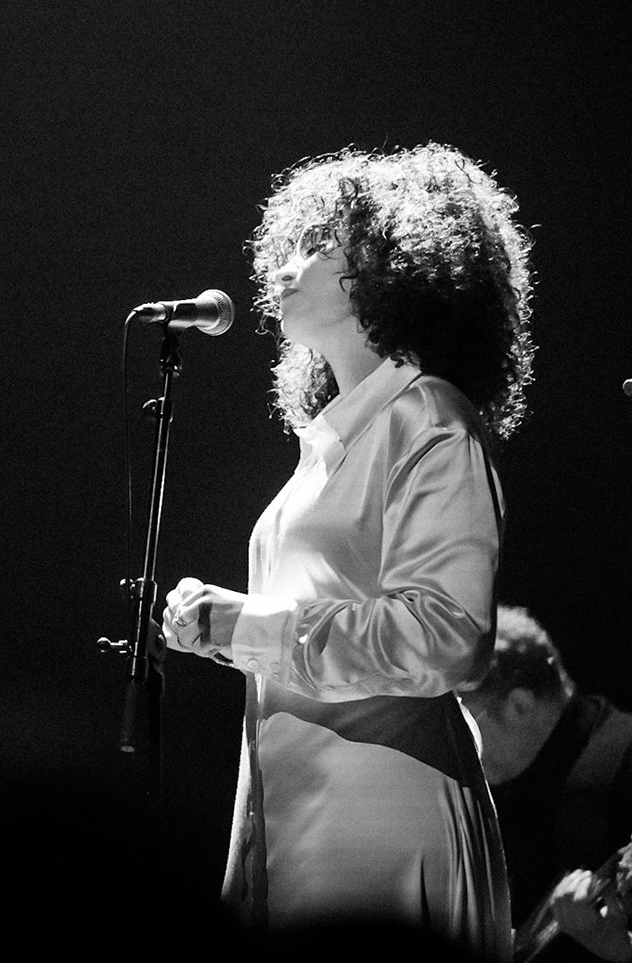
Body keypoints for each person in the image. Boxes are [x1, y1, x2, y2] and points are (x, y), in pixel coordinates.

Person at [160, 143, 535, 959]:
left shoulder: (429, 419)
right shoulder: (329, 447)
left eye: (317, 244)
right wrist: (222, 630)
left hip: (380, 826)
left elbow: (443, 639)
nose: (284, 268)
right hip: (294, 819)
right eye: (287, 247)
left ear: (390, 266)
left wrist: (242, 627)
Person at [461, 605, 631, 962]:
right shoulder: (504, 787)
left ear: (520, 706)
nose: (454, 756)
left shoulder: (624, 757)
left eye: (463, 734)